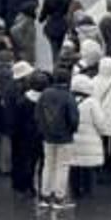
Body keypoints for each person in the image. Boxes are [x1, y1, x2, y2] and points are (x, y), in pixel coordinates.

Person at [36, 68, 78, 209]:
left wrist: (43, 130)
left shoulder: (45, 94)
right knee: (62, 166)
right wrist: (71, 130)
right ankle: (59, 198)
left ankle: (45, 196)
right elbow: (73, 119)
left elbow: (38, 115)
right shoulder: (68, 96)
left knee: (48, 165)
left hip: (47, 136)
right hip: (64, 137)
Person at [68, 75, 103, 201]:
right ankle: (88, 191)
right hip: (90, 141)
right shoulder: (92, 102)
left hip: (72, 139)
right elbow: (100, 122)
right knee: (88, 167)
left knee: (74, 166)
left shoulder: (69, 100)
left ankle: (75, 191)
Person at [39, 0, 73, 65]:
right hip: (64, 27)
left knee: (54, 50)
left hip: (52, 28)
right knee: (65, 50)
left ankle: (56, 68)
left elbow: (41, 17)